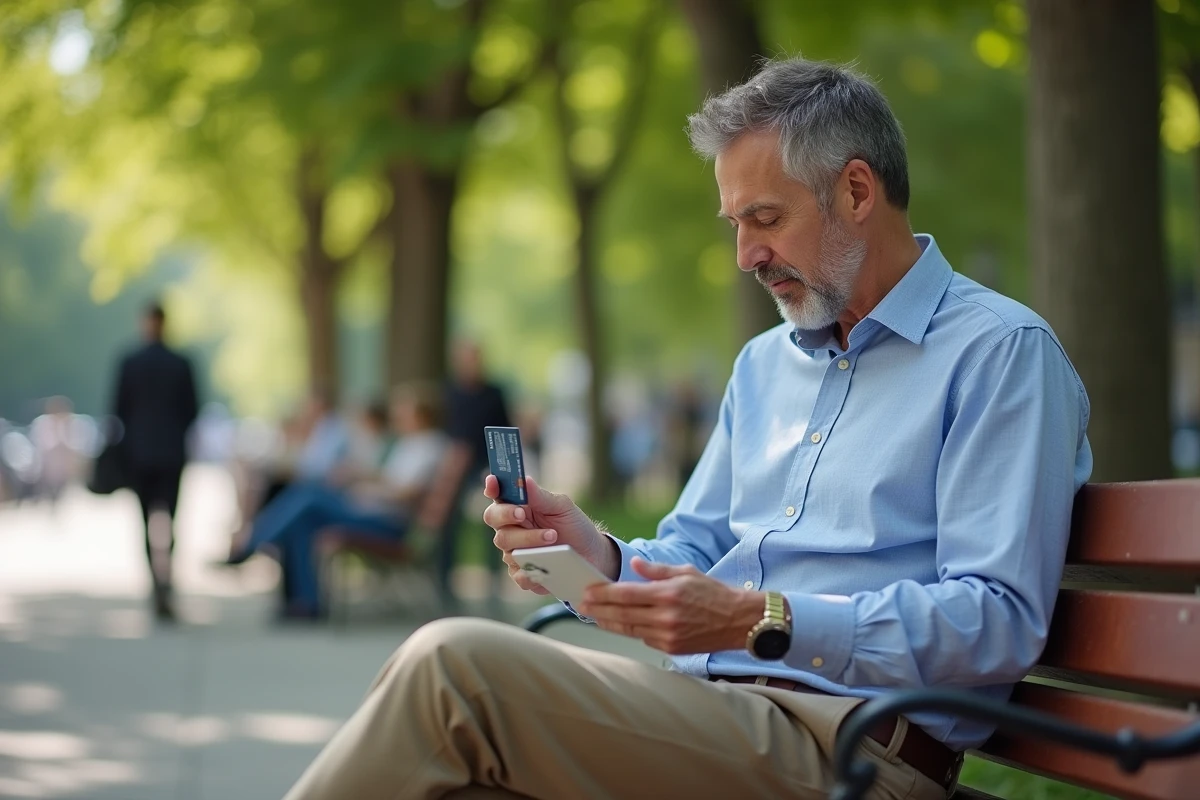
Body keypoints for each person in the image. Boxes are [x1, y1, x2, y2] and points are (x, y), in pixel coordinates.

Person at [282, 57, 1092, 800]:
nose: (745, 254)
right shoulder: (764, 366)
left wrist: (759, 619)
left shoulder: (999, 356)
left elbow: (996, 619)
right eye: (734, 223)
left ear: (854, 191)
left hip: (854, 751)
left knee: (451, 670)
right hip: (713, 714)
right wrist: (594, 556)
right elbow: (694, 556)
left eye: (765, 219)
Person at [230, 384, 449, 619]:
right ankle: (308, 604)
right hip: (370, 511)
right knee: (304, 520)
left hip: (389, 523)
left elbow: (408, 492)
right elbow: (391, 480)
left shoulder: (430, 445)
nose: (397, 417)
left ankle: (251, 544)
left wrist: (371, 486)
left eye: (404, 412)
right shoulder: (410, 444)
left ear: (421, 415)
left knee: (309, 498)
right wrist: (364, 479)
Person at [112, 302, 199, 621]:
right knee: (171, 521)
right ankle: (168, 578)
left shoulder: (130, 362)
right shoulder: (181, 363)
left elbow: (118, 409)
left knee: (145, 521)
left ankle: (155, 582)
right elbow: (193, 410)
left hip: (139, 454)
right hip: (172, 453)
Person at [417, 339, 512, 606]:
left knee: (493, 520)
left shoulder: (494, 393)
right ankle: (444, 581)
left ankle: (493, 581)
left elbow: (503, 429)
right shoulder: (448, 392)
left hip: (484, 466)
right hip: (454, 467)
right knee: (448, 522)